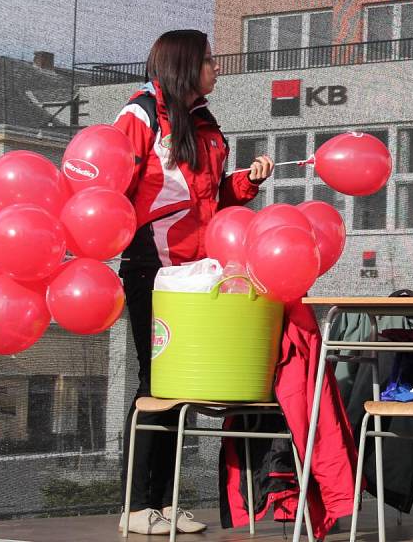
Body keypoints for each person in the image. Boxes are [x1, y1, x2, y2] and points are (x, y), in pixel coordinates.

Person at [113, 29, 274, 535]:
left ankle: (164, 503)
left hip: (195, 275)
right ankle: (137, 506)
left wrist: (246, 181)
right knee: (155, 382)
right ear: (184, 65)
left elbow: (213, 198)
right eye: (208, 60)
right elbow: (110, 185)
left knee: (181, 386)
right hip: (151, 270)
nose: (217, 68)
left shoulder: (203, 120)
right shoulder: (139, 115)